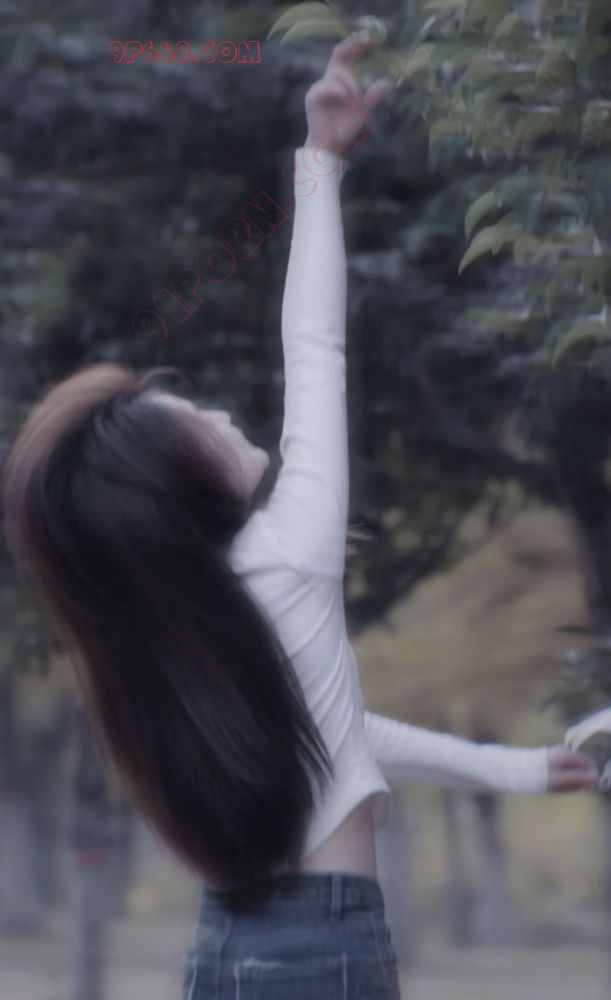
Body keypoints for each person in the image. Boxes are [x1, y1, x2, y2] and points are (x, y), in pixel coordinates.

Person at [1, 33, 598, 1000]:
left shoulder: (198, 625)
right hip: (323, 951)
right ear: (173, 486)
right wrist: (318, 164)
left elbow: (335, 725)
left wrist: (510, 769)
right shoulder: (286, 556)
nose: (218, 415)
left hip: (226, 950)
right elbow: (314, 347)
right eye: (194, 423)